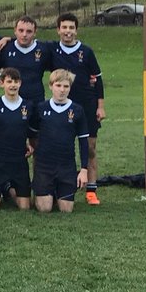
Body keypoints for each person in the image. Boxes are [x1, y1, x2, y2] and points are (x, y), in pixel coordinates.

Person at [49, 12, 106, 206]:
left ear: (76, 30)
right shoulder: (52, 50)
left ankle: (91, 190)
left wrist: (100, 106)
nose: (67, 31)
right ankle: (54, 185)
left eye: (71, 28)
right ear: (58, 30)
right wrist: (7, 38)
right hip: (61, 107)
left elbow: (97, 79)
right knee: (60, 146)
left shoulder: (86, 52)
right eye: (64, 27)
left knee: (90, 148)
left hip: (87, 106)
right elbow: (27, 42)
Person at [29, 69, 90, 214]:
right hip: (44, 166)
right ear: (50, 86)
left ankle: (57, 193)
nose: (62, 90)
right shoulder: (41, 108)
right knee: (44, 209)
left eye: (66, 86)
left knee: (66, 210)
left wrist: (83, 170)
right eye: (58, 86)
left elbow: (83, 141)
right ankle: (45, 192)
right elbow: (32, 132)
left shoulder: (77, 110)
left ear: (70, 88)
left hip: (66, 166)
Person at [0, 68, 33, 210]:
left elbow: (31, 130)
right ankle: (3, 187)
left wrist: (29, 144)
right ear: (1, 83)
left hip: (19, 160)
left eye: (16, 81)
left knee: (25, 207)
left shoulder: (28, 106)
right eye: (9, 81)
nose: (13, 85)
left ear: (20, 83)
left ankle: (9, 190)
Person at [0, 15, 47, 104]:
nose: (24, 34)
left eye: (29, 31)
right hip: (11, 101)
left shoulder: (44, 49)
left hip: (36, 101)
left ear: (35, 32)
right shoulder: (5, 48)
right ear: (15, 31)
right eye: (21, 30)